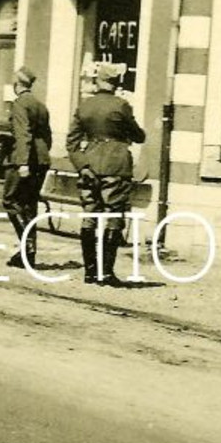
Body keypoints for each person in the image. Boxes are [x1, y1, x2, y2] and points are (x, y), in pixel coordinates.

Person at [66, 61, 145, 286]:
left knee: (90, 216)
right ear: (115, 83)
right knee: (113, 215)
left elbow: (71, 143)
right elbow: (139, 136)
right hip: (115, 165)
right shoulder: (121, 106)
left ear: (98, 81)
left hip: (89, 165)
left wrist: (83, 166)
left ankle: (90, 272)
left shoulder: (85, 106)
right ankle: (106, 273)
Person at [3, 66, 53, 269]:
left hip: (25, 161)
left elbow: (23, 135)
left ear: (17, 85)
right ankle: (28, 254)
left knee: (10, 201)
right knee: (29, 205)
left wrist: (23, 162)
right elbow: (48, 136)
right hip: (41, 160)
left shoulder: (20, 104)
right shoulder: (40, 105)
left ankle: (28, 249)